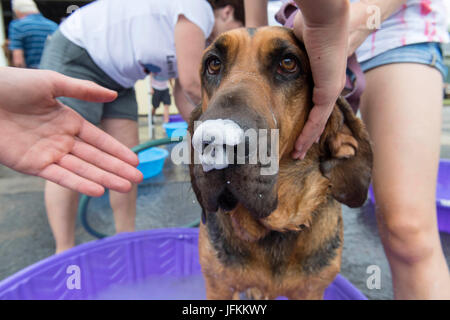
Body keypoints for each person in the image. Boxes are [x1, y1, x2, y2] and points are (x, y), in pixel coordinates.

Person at [248, 0, 450, 299]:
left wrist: (362, 17)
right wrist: (254, 37)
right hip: (291, 37)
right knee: (265, 211)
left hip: (393, 28)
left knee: (408, 231)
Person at [39, 0, 245, 253]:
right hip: (79, 52)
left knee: (125, 161)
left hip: (119, 78)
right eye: (238, 29)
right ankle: (65, 251)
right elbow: (193, 84)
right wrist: (221, 135)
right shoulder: (199, 8)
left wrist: (199, 136)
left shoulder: (201, 38)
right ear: (227, 11)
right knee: (67, 154)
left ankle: (125, 242)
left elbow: (183, 91)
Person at [0, 67, 143, 196]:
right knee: (61, 161)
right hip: (79, 54)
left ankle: (126, 226)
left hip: (124, 78)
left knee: (122, 168)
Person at [8, 0, 58, 68]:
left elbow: (18, 62)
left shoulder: (17, 26)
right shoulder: (53, 25)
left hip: (30, 72)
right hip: (51, 71)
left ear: (16, 11)